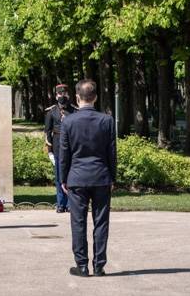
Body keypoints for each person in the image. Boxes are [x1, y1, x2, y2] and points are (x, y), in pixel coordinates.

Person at [60, 79, 116, 277]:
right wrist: (112, 178)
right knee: (101, 223)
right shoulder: (107, 120)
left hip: (76, 178)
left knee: (78, 222)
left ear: (77, 97)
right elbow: (112, 153)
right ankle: (99, 265)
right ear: (96, 97)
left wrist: (63, 179)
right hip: (101, 177)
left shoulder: (68, 121)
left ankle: (82, 265)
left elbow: (64, 154)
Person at [44, 84, 77, 213]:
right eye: (59, 94)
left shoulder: (74, 111)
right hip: (57, 146)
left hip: (71, 147)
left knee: (70, 176)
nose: (62, 96)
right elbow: (47, 132)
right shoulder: (52, 111)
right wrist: (50, 151)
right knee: (59, 177)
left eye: (64, 94)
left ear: (68, 95)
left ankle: (70, 203)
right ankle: (60, 204)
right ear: (56, 95)